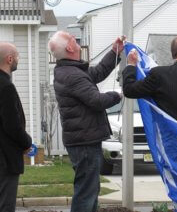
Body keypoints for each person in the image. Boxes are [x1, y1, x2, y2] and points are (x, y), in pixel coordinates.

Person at [48, 31, 124, 212]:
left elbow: (97, 73)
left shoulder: (69, 71)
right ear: (69, 47)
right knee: (86, 192)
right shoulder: (72, 75)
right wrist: (118, 95)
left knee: (89, 189)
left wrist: (115, 52)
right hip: (84, 143)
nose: (78, 42)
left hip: (83, 140)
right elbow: (97, 101)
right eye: (74, 40)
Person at [0, 42, 32, 211]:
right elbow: (12, 125)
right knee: (5, 205)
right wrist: (27, 142)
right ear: (9, 59)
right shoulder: (5, 87)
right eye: (17, 56)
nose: (18, 59)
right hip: (5, 158)